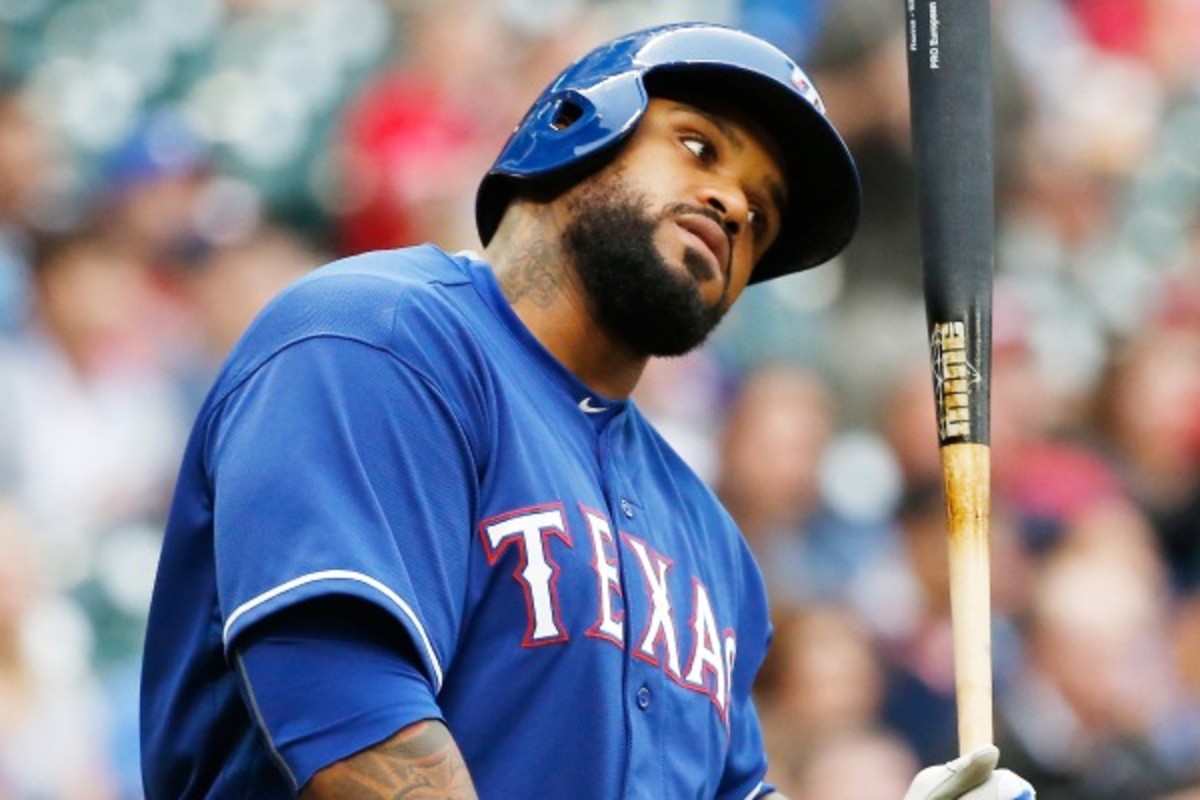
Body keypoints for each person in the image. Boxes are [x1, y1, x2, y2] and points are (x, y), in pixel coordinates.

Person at [139, 22, 1035, 800]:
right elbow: (350, 719)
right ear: (571, 131)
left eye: (761, 213)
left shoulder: (712, 544)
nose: (733, 203)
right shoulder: (378, 339)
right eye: (698, 146)